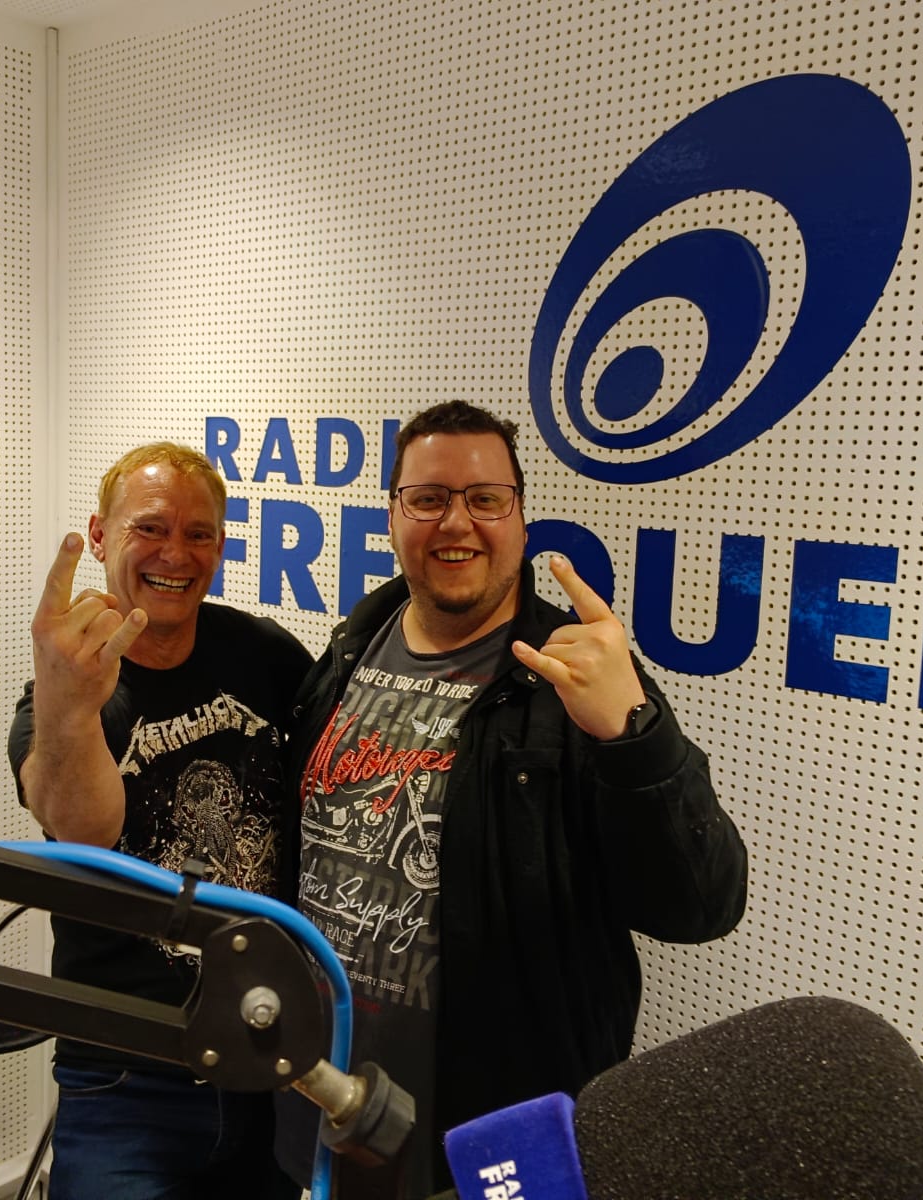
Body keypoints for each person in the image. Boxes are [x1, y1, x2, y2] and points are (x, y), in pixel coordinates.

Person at [277, 401, 748, 1198]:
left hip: (487, 1129)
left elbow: (701, 906)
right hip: (328, 1102)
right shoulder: (353, 646)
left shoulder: (572, 679)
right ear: (392, 516)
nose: (455, 522)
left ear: (520, 519)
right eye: (428, 498)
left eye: (485, 499)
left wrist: (632, 733)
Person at [8, 442, 313, 1200]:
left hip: (265, 1052)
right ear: (100, 536)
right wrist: (72, 706)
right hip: (125, 1075)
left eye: (198, 533)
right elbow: (80, 828)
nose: (175, 553)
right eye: (149, 528)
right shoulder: (65, 688)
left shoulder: (263, 654)